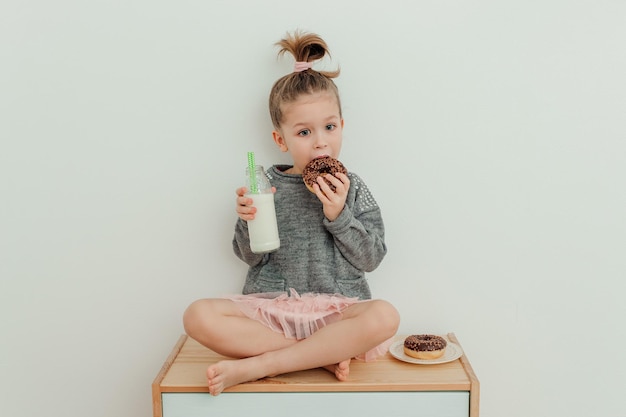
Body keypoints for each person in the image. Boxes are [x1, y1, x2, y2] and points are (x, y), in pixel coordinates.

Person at [183, 30, 400, 396]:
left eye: (329, 127)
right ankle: (319, 358)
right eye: (304, 132)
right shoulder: (265, 185)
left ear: (342, 128)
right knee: (197, 315)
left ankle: (265, 364)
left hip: (337, 315)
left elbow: (372, 258)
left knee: (385, 316)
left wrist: (339, 215)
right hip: (274, 313)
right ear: (280, 140)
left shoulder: (353, 186)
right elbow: (250, 256)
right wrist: (247, 220)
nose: (320, 141)